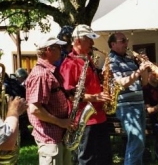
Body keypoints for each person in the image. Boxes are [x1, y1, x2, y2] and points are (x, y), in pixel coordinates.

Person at [59, 24, 112, 165]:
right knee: (87, 159)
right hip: (84, 119)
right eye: (89, 39)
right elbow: (69, 94)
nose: (93, 43)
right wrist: (95, 97)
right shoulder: (69, 63)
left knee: (104, 158)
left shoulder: (88, 59)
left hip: (99, 116)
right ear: (78, 41)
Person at [25, 35, 72, 165]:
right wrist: (61, 122)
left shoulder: (49, 72)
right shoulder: (41, 74)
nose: (61, 51)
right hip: (50, 138)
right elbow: (35, 109)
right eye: (58, 47)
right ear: (48, 50)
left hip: (59, 136)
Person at [107, 32, 151, 165]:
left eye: (126, 40)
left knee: (139, 142)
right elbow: (122, 83)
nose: (126, 43)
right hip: (127, 107)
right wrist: (138, 71)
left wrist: (144, 68)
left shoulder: (129, 59)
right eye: (122, 41)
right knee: (136, 141)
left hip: (138, 105)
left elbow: (144, 83)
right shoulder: (112, 60)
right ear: (113, 44)